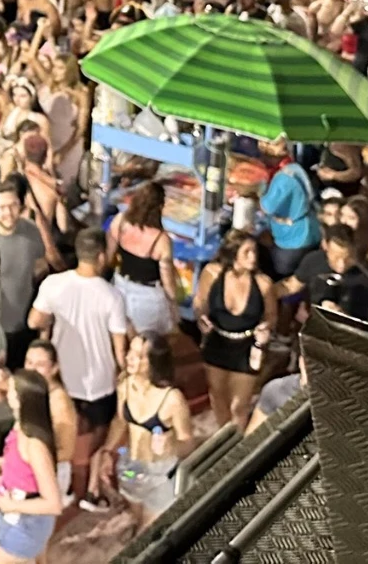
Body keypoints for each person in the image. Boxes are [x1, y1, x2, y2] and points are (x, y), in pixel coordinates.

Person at [28, 230, 130, 497]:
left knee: (60, 435)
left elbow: (34, 320)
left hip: (62, 378)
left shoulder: (53, 284)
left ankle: (59, 486)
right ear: (101, 256)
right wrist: (126, 375)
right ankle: (87, 489)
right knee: (93, 440)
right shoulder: (112, 296)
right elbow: (119, 347)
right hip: (99, 381)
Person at [102, 335, 193, 523]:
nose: (129, 357)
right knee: (136, 516)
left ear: (154, 362)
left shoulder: (172, 399)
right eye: (130, 351)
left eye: (138, 355)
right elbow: (120, 422)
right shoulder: (125, 385)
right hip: (131, 468)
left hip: (161, 474)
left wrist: (172, 445)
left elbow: (189, 443)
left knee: (150, 529)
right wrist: (107, 451)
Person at [193, 230, 277, 430]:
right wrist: (200, 317)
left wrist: (265, 329)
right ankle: (224, 436)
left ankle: (238, 441)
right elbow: (200, 301)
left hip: (246, 348)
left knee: (239, 405)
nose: (253, 257)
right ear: (233, 254)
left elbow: (271, 315)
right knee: (217, 396)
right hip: (217, 342)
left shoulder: (263, 284)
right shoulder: (212, 273)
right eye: (247, 252)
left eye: (254, 251)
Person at [0, 370, 65, 564]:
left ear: (20, 399)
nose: (7, 392)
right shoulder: (20, 427)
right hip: (17, 515)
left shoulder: (34, 444)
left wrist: (11, 505)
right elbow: (22, 462)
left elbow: (54, 504)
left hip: (27, 522)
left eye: (12, 389)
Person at [105, 179, 178, 337]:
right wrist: (173, 306)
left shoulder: (120, 221)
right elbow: (168, 280)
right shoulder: (161, 240)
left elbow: (108, 257)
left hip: (120, 286)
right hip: (148, 298)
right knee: (149, 342)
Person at [0, 177, 49, 370]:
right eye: (2, 207)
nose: (8, 213)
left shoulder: (31, 231)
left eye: (13, 205)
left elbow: (40, 268)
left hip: (24, 326)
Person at [256, 137, 321, 277]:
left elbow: (266, 207)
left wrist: (255, 193)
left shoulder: (283, 178)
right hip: (310, 228)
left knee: (282, 271)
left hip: (295, 236)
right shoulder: (294, 168)